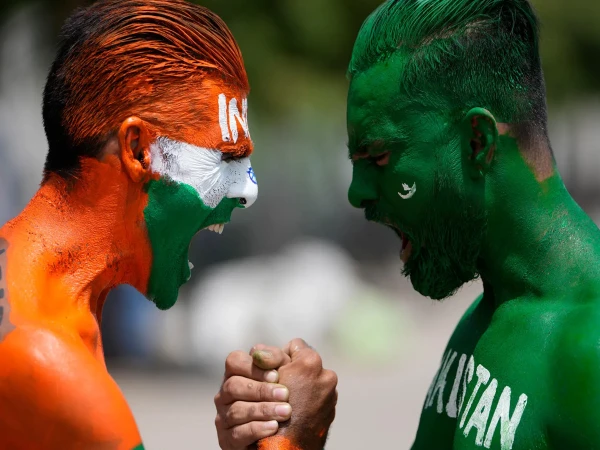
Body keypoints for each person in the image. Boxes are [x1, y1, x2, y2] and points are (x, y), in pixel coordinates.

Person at [216, 0, 600, 449]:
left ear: (477, 142)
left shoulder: (588, 350)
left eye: (379, 157)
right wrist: (289, 436)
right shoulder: (487, 318)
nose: (357, 192)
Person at [0, 1, 266, 448]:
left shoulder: (46, 305)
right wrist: (290, 440)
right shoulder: (47, 362)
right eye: (226, 157)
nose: (248, 190)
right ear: (139, 149)